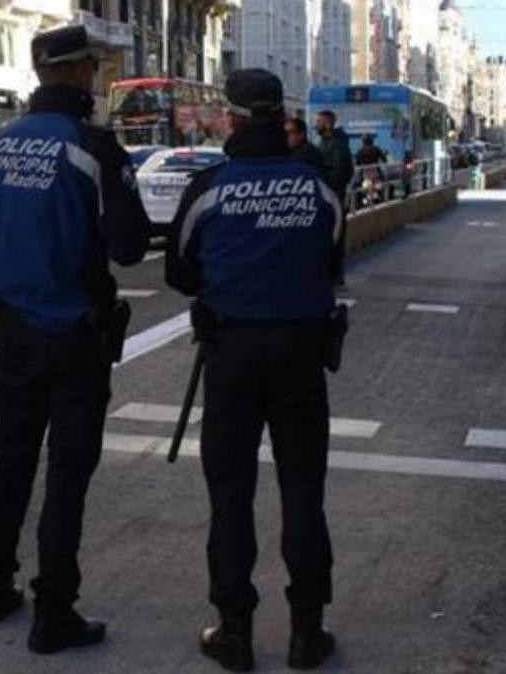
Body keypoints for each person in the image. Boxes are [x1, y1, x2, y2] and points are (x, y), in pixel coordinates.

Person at [0, 24, 151, 653]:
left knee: (11, 460)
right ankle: (54, 612)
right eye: (92, 69)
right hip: (75, 334)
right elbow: (128, 245)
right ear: (75, 74)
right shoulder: (92, 147)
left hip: (13, 330)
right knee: (67, 474)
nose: (95, 80)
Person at [166, 69, 340, 672]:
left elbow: (179, 273)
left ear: (232, 118)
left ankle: (234, 632)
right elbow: (331, 262)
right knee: (304, 494)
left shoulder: (210, 188)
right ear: (280, 116)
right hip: (299, 357)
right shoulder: (318, 188)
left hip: (232, 358)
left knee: (230, 497)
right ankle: (306, 632)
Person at [315, 109, 353, 288]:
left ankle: (336, 276)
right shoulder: (325, 142)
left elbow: (341, 172)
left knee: (335, 239)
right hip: (328, 196)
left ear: (328, 124)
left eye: (319, 122)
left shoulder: (336, 145)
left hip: (333, 197)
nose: (316, 125)